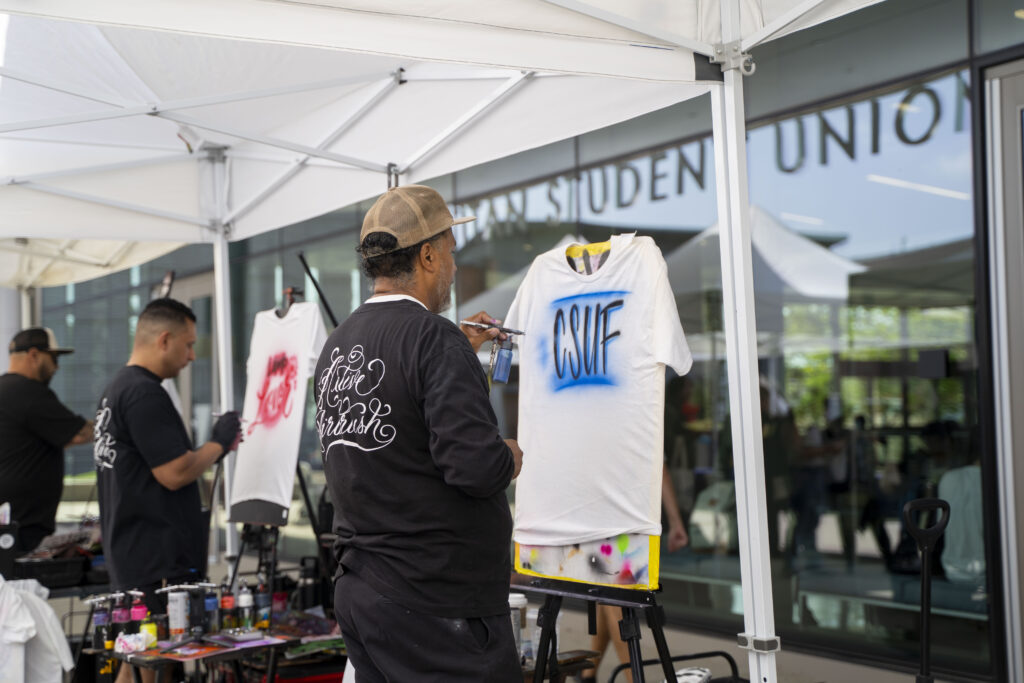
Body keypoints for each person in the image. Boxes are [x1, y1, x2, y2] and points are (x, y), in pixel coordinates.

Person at [315, 184, 524, 682]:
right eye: (451, 250)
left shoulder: (338, 345)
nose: (453, 264)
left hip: (364, 588)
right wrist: (509, 455)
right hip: (435, 599)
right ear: (428, 255)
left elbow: (394, 431)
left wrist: (455, 349)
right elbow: (473, 468)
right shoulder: (434, 338)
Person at [93, 298, 241, 683]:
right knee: (154, 661)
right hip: (153, 560)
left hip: (133, 553)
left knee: (134, 656)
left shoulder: (116, 389)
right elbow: (174, 472)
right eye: (188, 344)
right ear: (164, 339)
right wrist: (219, 443)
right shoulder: (144, 394)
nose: (192, 356)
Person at [0, 327, 93, 553]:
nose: (56, 366)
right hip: (22, 529)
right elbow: (78, 433)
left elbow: (55, 436)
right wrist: (114, 419)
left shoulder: (4, 390)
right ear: (34, 355)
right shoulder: (29, 393)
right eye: (53, 358)